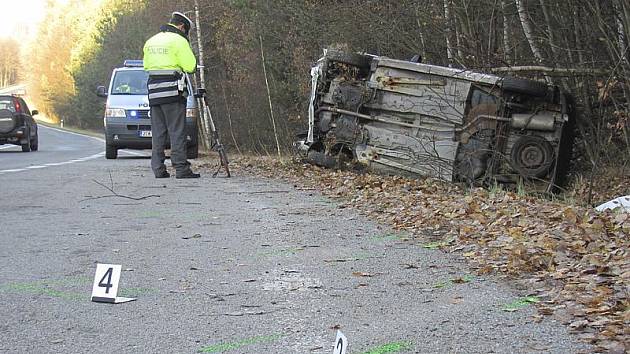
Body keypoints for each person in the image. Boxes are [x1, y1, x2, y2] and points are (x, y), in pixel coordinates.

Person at [143, 11, 199, 179]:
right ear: (182, 27)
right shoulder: (179, 41)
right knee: (177, 131)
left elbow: (146, 65)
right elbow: (190, 66)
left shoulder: (151, 41)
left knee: (158, 133)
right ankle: (181, 169)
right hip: (173, 92)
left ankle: (158, 169)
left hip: (153, 93)